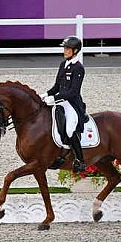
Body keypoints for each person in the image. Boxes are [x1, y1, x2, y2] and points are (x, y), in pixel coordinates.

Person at [40, 35, 87, 173]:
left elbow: (73, 91)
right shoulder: (63, 65)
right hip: (59, 102)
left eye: (68, 48)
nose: (65, 50)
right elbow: (57, 86)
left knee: (69, 129)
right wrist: (46, 94)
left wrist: (55, 98)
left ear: (75, 50)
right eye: (65, 48)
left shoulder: (78, 68)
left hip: (72, 104)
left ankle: (80, 160)